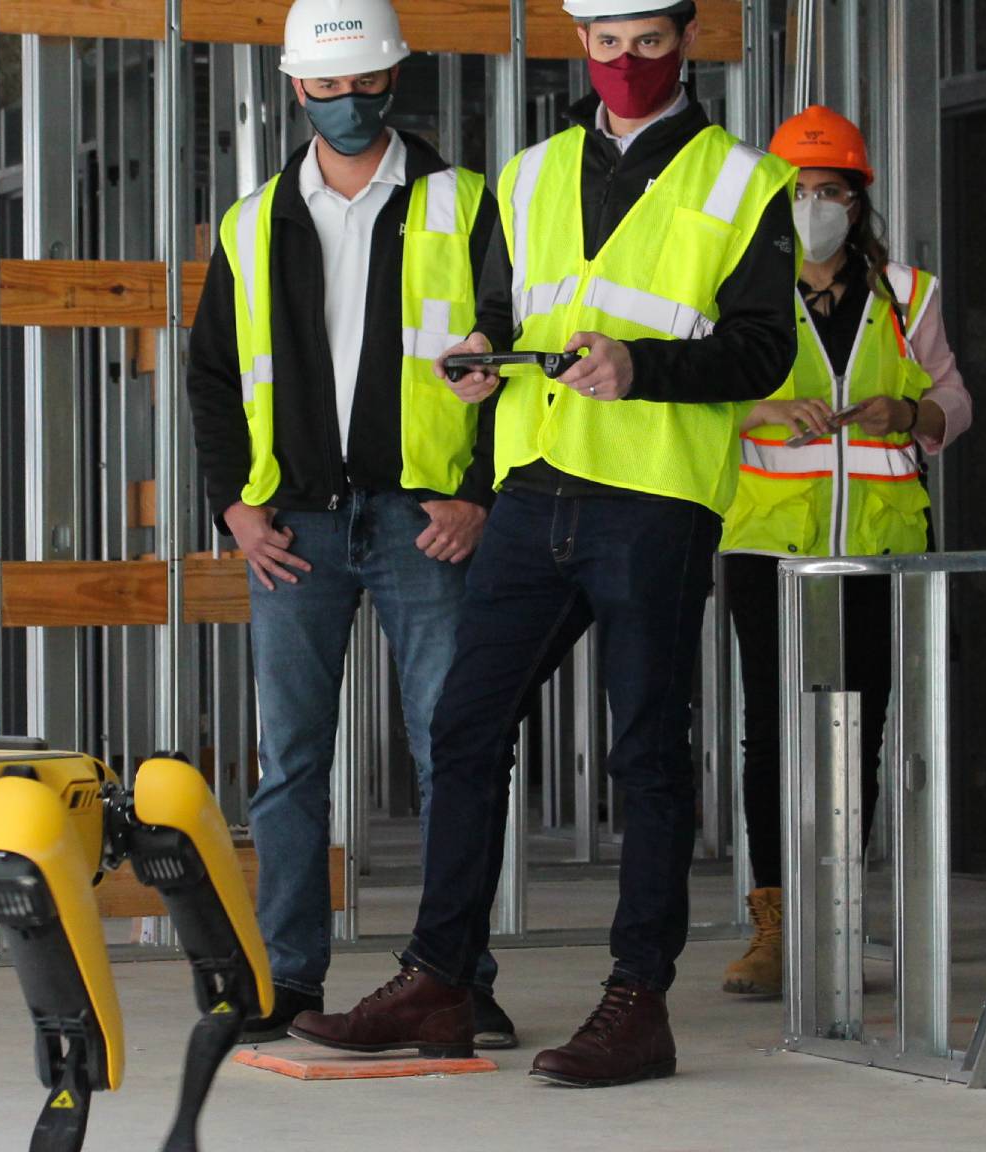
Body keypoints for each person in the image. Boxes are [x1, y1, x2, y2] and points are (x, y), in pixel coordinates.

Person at [290, 0, 798, 1083]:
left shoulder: (739, 180)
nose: (626, 63)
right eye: (606, 44)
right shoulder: (524, 176)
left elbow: (760, 353)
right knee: (463, 731)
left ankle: (636, 1000)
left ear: (685, 42)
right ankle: (441, 982)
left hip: (654, 501)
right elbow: (503, 312)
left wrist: (640, 366)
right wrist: (481, 355)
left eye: (648, 42)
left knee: (645, 754)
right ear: (582, 47)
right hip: (532, 492)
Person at [186, 0, 514, 1048]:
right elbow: (209, 380)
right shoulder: (249, 222)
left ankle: (457, 979)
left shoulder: (466, 205)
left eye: (361, 82)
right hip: (293, 532)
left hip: (426, 521)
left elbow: (514, 362)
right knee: (289, 764)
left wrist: (481, 499)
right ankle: (289, 981)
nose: (344, 102)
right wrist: (232, 503)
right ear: (294, 89)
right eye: (323, 87)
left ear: (394, 77)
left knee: (450, 750)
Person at [718, 105, 970, 997]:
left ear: (857, 202)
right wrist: (764, 411)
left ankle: (840, 921)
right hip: (765, 544)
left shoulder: (909, 294)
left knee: (857, 734)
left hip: (877, 544)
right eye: (797, 191)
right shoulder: (735, 289)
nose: (814, 206)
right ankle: (775, 923)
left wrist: (912, 415)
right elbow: (695, 404)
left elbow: (952, 400)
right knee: (771, 733)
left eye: (830, 191)